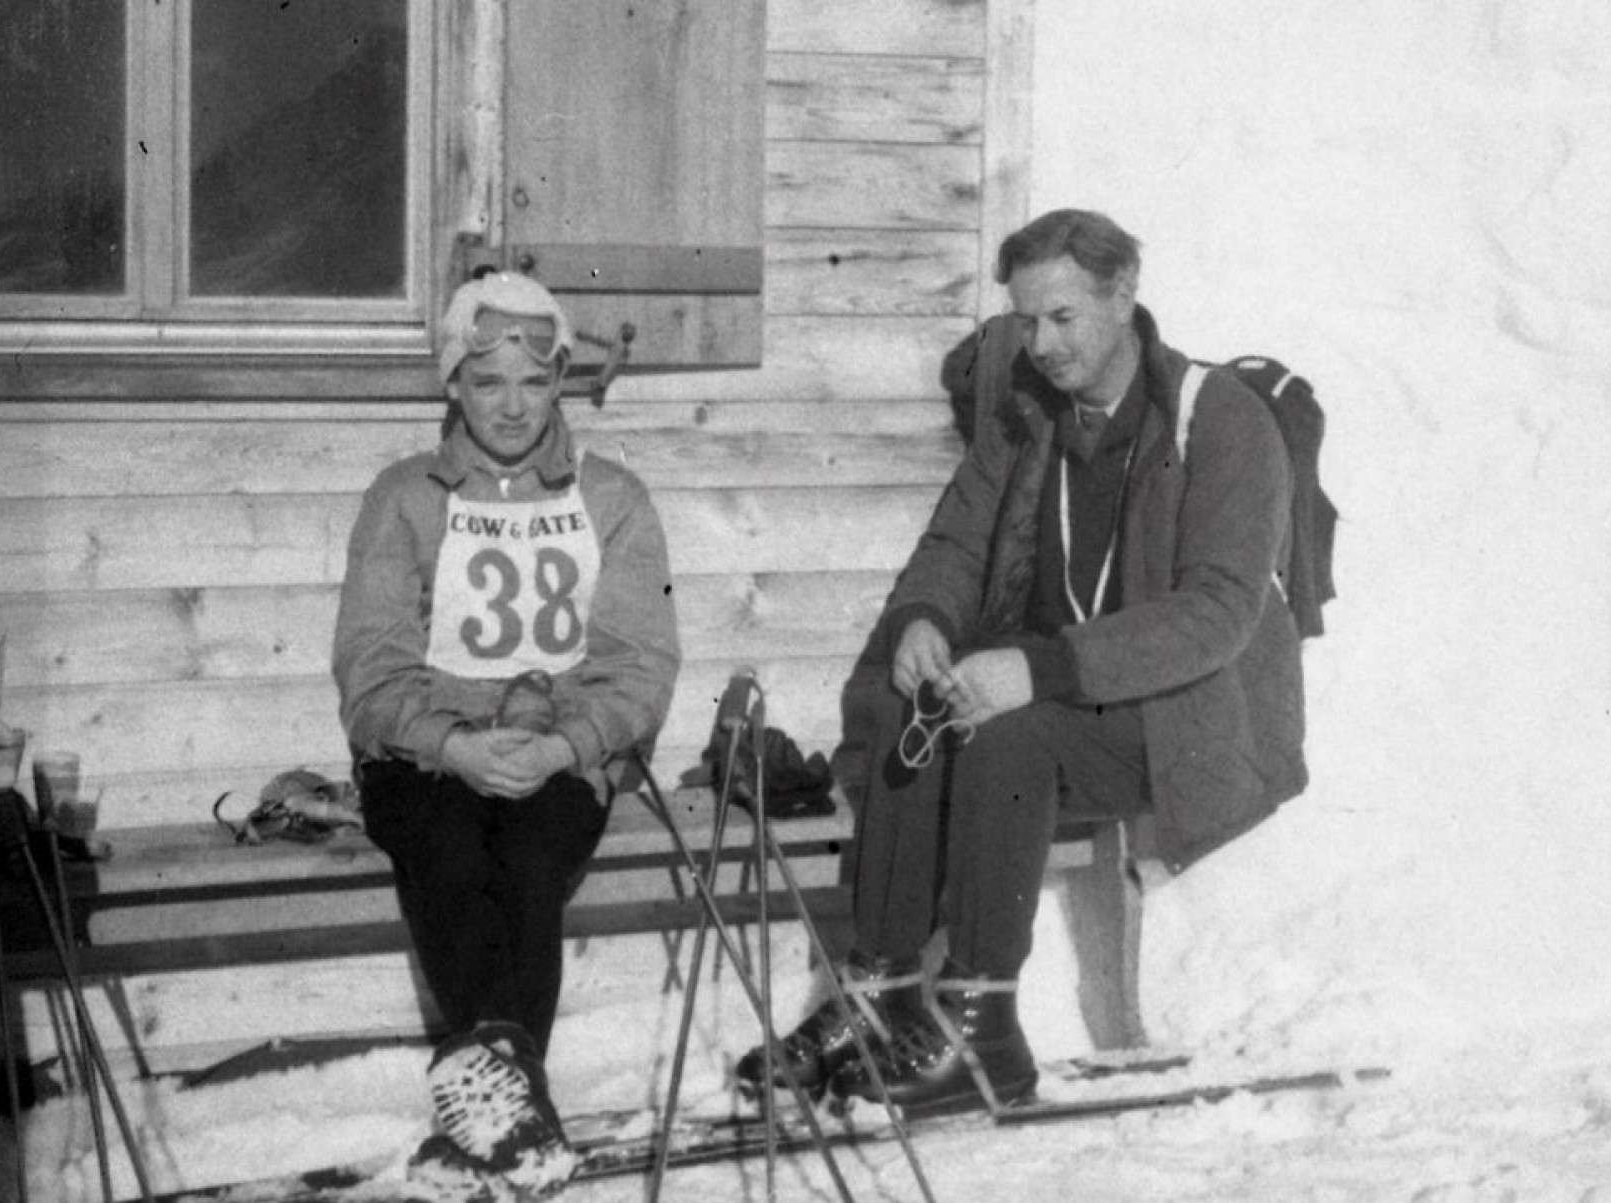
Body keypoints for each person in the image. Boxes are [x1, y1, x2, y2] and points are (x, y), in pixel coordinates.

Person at [740, 209, 1307, 1117]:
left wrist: (1037, 669)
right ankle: (878, 995)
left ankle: (983, 1030)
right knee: (907, 711)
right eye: (1026, 320)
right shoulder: (1029, 415)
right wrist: (924, 620)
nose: (1040, 344)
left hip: (1188, 714)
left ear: (1124, 298)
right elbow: (957, 541)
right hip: (1071, 688)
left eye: (1063, 318)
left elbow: (1217, 615)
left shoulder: (1219, 419)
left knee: (1012, 734)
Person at [332, 271, 680, 1193]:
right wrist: (453, 746)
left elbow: (640, 665)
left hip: (561, 752)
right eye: (488, 382)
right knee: (448, 846)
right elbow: (370, 668)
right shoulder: (404, 497)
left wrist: (566, 744)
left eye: (535, 380)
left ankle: (490, 1119)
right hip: (429, 756)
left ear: (562, 377)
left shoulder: (613, 498)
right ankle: (521, 1116)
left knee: (528, 859)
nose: (514, 405)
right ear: (453, 383)